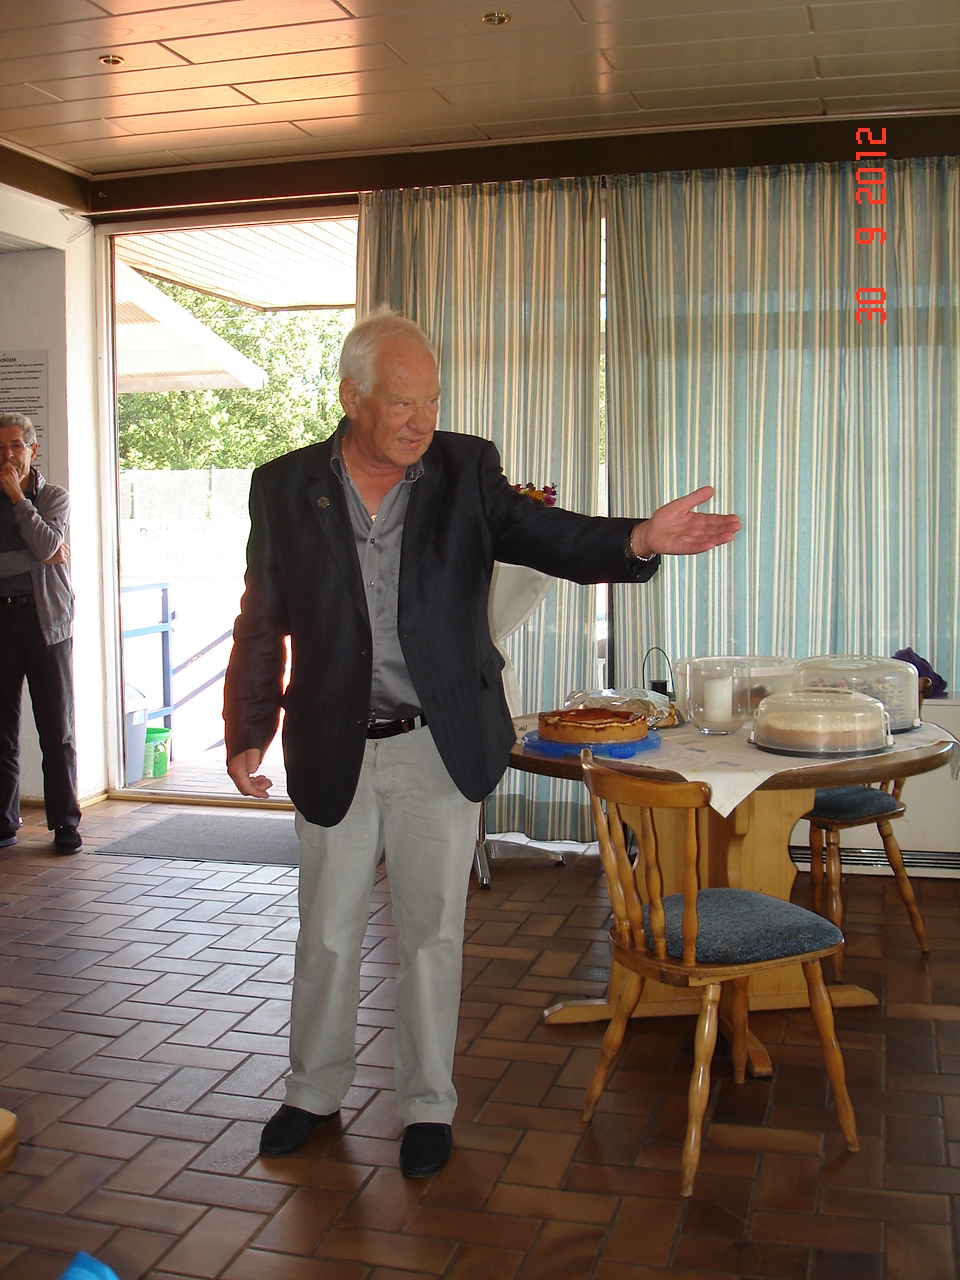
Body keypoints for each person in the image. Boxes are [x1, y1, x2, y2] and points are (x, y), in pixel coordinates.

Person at [223, 308, 741, 1177]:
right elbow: (262, 612)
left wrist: (638, 538)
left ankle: (427, 1105)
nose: (421, 420)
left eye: (432, 400)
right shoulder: (284, 486)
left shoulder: (466, 470)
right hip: (331, 740)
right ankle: (311, 1091)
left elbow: (548, 535)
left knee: (432, 934)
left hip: (437, 742)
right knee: (327, 933)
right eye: (402, 403)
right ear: (352, 398)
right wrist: (248, 728)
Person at [0, 412, 81, 854]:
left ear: (33, 449)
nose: (8, 455)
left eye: (16, 445)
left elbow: (50, 545)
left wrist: (17, 498)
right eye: (0, 448)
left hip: (47, 623)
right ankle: (3, 822)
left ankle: (65, 823)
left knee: (56, 730)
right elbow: (48, 550)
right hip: (2, 621)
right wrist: (41, 553)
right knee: (2, 730)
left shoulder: (53, 496)